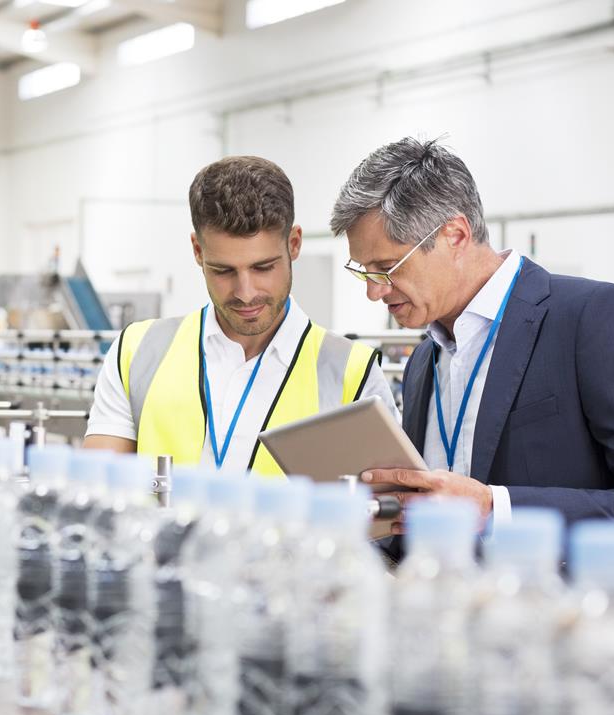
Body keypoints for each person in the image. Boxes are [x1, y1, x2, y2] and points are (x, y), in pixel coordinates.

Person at [332, 138, 614, 588]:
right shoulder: (424, 361)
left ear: (455, 235)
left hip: (580, 633)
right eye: (365, 272)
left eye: (387, 267)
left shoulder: (591, 317)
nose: (374, 291)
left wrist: (494, 508)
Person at [84, 155, 397, 475]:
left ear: (294, 244)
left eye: (263, 268)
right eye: (223, 270)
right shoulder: (137, 352)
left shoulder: (353, 374)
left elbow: (378, 516)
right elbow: (97, 491)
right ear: (197, 251)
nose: (245, 292)